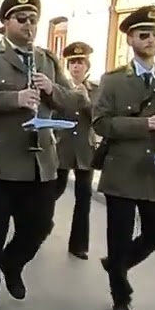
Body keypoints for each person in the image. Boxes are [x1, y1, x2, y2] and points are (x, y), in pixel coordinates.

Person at [0, 0, 84, 310]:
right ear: (5, 23)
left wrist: (51, 89)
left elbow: (74, 103)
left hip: (37, 161)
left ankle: (12, 264)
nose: (29, 25)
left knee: (39, 225)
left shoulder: (46, 59)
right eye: (21, 19)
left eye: (33, 19)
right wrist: (13, 100)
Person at [92, 5, 155, 310]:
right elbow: (101, 123)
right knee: (118, 237)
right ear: (130, 38)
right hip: (123, 169)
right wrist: (145, 124)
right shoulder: (113, 80)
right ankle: (121, 299)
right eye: (144, 34)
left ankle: (116, 266)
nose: (150, 40)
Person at [54, 41, 99, 260]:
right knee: (54, 191)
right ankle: (37, 227)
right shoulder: (60, 87)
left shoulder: (96, 89)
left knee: (84, 197)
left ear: (87, 66)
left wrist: (87, 100)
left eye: (80, 63)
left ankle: (79, 244)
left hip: (84, 149)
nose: (76, 67)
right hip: (62, 146)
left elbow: (100, 119)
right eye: (72, 63)